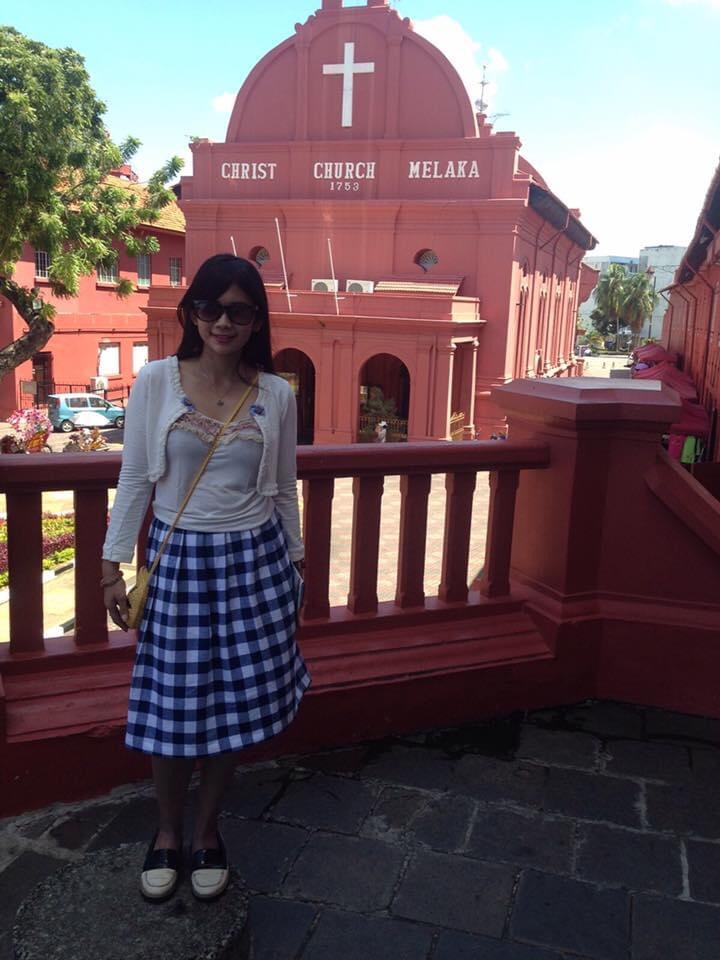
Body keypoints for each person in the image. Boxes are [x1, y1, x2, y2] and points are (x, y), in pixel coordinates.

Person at [101, 253, 310, 902]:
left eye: (239, 311)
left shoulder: (275, 394)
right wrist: (111, 564)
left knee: (231, 708)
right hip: (179, 564)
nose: (223, 321)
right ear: (191, 313)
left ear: (257, 321)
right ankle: (167, 830)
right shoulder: (157, 381)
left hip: (254, 562)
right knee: (173, 706)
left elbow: (282, 488)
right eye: (210, 307)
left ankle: (207, 830)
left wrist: (296, 564)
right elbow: (135, 477)